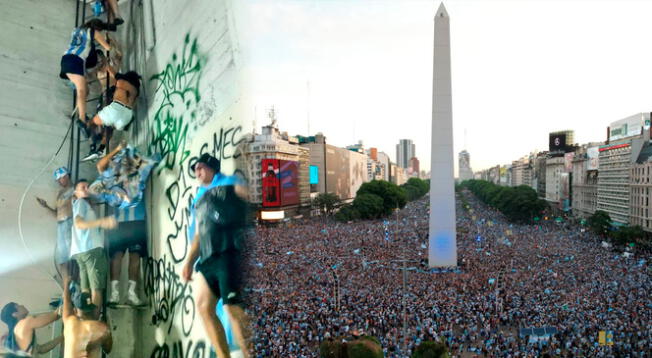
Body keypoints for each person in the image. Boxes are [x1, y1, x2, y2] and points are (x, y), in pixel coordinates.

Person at [182, 153, 251, 358]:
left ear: (212, 167)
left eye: (200, 167)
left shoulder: (232, 182)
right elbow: (197, 234)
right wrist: (188, 262)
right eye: (195, 169)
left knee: (233, 311)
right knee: (203, 307)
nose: (197, 171)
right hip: (207, 258)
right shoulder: (198, 197)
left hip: (229, 254)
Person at [95, 143, 149, 306]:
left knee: (135, 257)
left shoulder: (138, 171)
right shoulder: (111, 175)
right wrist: (117, 150)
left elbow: (147, 163)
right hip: (118, 222)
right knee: (116, 257)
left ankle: (132, 294)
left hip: (137, 220)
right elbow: (100, 165)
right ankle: (115, 294)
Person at [59, 19, 117, 133]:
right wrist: (109, 42)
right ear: (97, 28)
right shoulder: (93, 32)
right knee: (81, 90)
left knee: (85, 90)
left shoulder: (76, 30)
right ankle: (81, 119)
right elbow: (107, 48)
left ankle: (79, 111)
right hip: (76, 60)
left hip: (66, 59)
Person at [70, 179, 117, 317]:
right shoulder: (81, 203)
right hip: (91, 250)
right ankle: (94, 322)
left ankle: (84, 321)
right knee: (96, 288)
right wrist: (102, 221)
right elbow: (79, 224)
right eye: (82, 187)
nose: (86, 188)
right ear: (75, 192)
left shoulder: (80, 204)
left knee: (85, 290)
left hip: (80, 252)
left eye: (87, 187)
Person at [81, 71, 141, 160]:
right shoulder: (136, 90)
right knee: (110, 129)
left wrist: (107, 64)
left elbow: (111, 70)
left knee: (91, 122)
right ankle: (100, 150)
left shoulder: (121, 80)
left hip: (117, 108)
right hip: (127, 116)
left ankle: (92, 147)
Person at [61, 267, 112, 358]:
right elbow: (108, 350)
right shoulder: (101, 328)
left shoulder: (69, 321)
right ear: (91, 308)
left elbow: (66, 301)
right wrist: (108, 325)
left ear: (75, 310)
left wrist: (66, 284)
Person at [35, 167, 74, 277]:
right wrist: (46, 206)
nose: (58, 182)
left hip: (70, 224)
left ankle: (76, 284)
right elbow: (57, 215)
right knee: (62, 260)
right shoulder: (60, 193)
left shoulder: (75, 189)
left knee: (74, 257)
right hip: (61, 226)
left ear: (66, 176)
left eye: (59, 179)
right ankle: (68, 286)